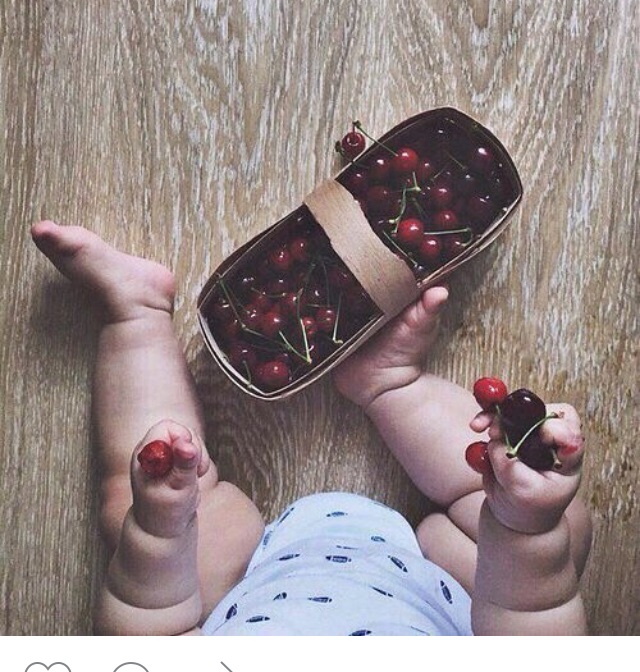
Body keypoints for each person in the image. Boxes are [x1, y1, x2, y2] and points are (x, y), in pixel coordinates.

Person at [31, 220, 591, 637]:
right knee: (551, 526)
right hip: (455, 588)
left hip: (240, 581)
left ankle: (137, 314)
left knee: (141, 504)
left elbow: (147, 646)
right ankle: (391, 384)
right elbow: (535, 644)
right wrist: (526, 530)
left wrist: (158, 533)